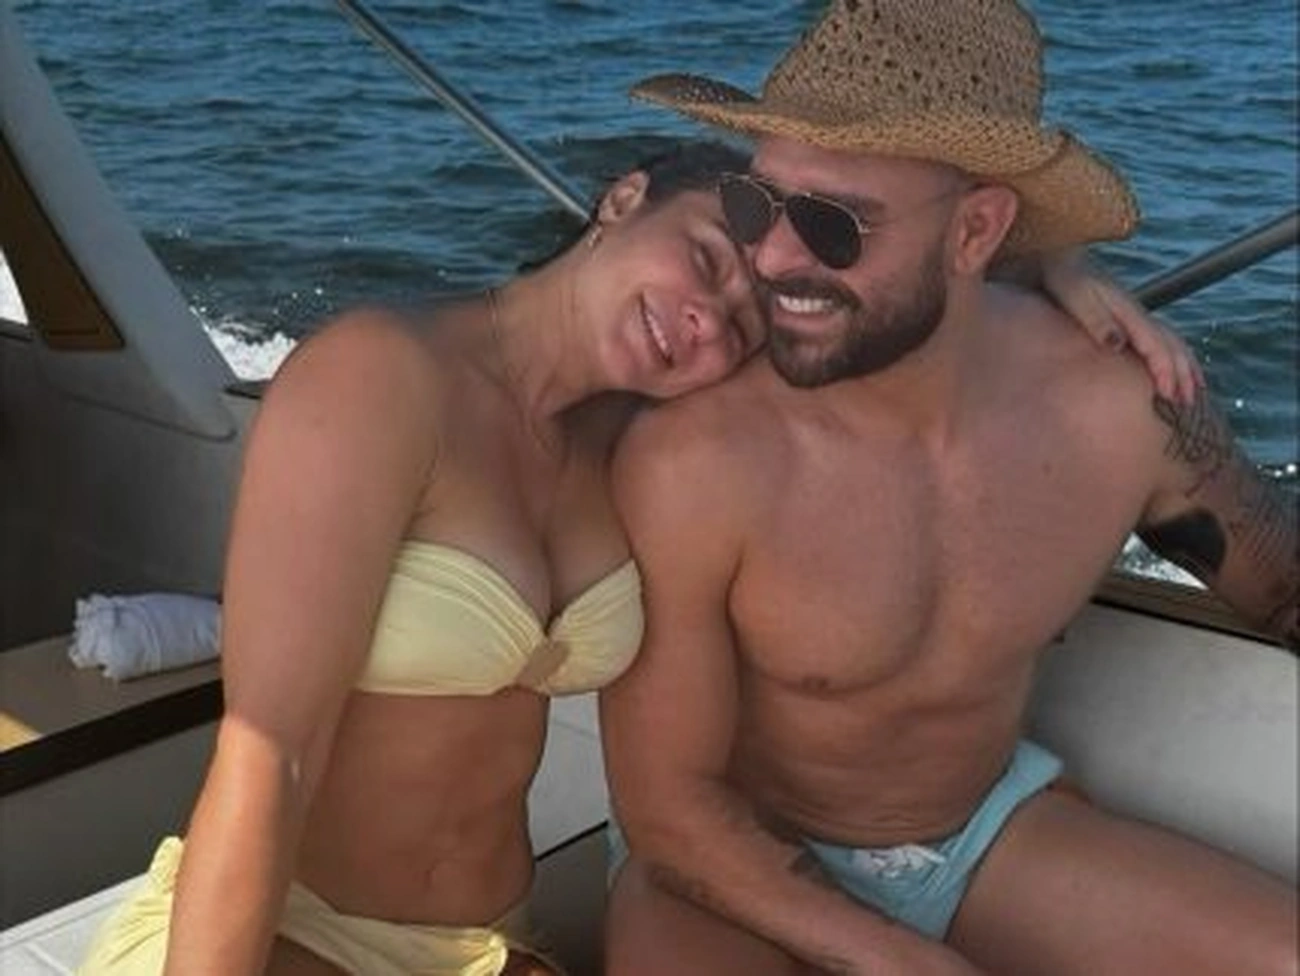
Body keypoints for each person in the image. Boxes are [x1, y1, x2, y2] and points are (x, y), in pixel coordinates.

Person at [77, 147, 1191, 976]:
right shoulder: (380, 377)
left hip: (487, 947)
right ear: (620, 202)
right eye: (704, 257)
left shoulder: (631, 440)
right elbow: (268, 756)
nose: (706, 320)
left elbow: (895, 300)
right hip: (289, 928)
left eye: (744, 326)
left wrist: (1058, 273)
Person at [600, 3, 1299, 976]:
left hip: (977, 837)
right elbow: (670, 814)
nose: (774, 258)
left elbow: (1282, 587)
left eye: (834, 225)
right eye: (757, 205)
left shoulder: (1119, 409)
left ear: (977, 231)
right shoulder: (697, 457)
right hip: (725, 868)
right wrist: (905, 963)